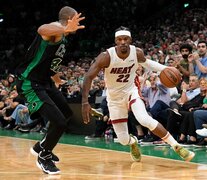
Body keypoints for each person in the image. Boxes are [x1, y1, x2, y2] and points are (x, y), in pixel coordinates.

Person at [82, 26, 195, 163]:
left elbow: (149, 64)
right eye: (119, 39)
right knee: (123, 140)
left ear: (130, 40)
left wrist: (166, 69)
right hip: (114, 98)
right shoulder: (106, 57)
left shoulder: (137, 53)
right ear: (116, 41)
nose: (123, 42)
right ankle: (132, 142)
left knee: (144, 118)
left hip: (131, 91)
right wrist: (84, 102)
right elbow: (88, 77)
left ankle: (176, 146)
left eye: (125, 39)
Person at [15, 6, 85, 174]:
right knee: (59, 122)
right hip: (30, 82)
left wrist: (57, 78)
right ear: (69, 19)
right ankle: (44, 156)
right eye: (76, 18)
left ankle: (41, 146)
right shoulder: (55, 30)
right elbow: (41, 29)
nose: (78, 22)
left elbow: (50, 62)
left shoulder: (64, 38)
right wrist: (64, 28)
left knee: (66, 113)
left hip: (45, 81)